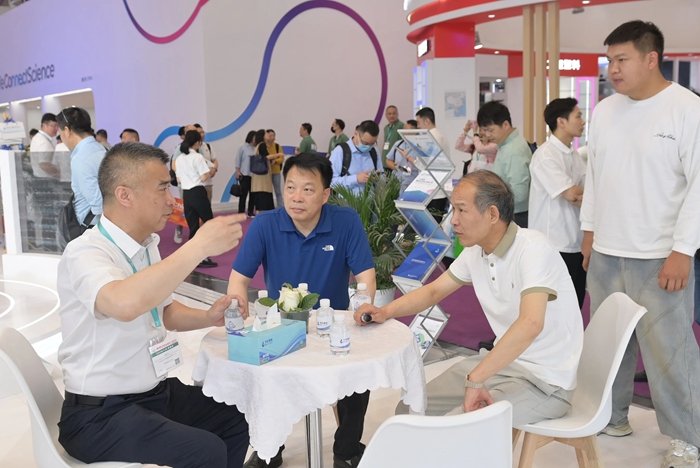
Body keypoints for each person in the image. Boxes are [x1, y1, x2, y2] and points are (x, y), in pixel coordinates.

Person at [56, 141, 249, 467]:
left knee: (236, 416)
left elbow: (165, 312)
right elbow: (123, 303)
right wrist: (198, 247)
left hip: (153, 394)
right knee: (205, 451)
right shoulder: (85, 252)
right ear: (124, 195)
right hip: (99, 414)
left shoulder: (146, 246)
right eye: (162, 188)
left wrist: (208, 315)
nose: (171, 199)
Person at [357, 171, 583, 427]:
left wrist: (477, 378)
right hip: (504, 364)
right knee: (411, 408)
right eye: (453, 209)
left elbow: (531, 323)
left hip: (545, 382)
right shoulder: (476, 251)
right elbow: (433, 292)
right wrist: (384, 312)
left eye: (462, 210)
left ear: (492, 214)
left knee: (462, 425)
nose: (453, 220)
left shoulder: (533, 249)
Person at [580, 21, 700, 467]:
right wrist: (589, 232)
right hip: (607, 252)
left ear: (651, 59)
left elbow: (698, 186)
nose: (613, 69)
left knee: (671, 353)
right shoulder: (605, 111)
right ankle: (612, 417)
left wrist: (683, 250)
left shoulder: (686, 109)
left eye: (622, 59)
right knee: (609, 344)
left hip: (660, 255)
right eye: (609, 60)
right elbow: (595, 176)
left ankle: (688, 438)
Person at [228, 153, 376, 468]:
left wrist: (363, 307)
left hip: (332, 325)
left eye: (308, 189)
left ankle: (346, 451)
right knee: (263, 383)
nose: (296, 197)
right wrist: (237, 311)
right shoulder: (266, 224)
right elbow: (238, 279)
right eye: (291, 187)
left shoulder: (345, 221)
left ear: (325, 194)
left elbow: (365, 276)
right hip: (281, 327)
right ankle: (269, 450)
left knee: (357, 377)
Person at [529, 98, 587, 308]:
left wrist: (583, 193)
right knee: (555, 307)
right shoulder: (546, 155)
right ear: (561, 122)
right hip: (554, 243)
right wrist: (581, 193)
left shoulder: (573, 155)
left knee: (575, 303)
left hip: (576, 241)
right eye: (578, 116)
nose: (583, 121)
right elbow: (572, 194)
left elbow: (587, 191)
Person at [477, 101, 532, 228]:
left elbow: (519, 194)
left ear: (505, 125)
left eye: (490, 130)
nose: (487, 135)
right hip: (510, 213)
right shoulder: (505, 145)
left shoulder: (514, 151)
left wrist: (491, 199)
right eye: (484, 131)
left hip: (516, 216)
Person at [173, 130, 218, 268]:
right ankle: (204, 256)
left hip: (186, 194)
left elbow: (178, 180)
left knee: (193, 227)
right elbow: (204, 177)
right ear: (198, 143)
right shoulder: (197, 157)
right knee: (208, 224)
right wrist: (210, 172)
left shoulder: (179, 158)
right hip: (198, 192)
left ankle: (193, 257)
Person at [58, 107, 107, 226]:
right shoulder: (104, 150)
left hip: (94, 228)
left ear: (67, 131)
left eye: (60, 133)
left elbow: (99, 206)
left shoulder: (80, 159)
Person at [329, 120, 382, 194]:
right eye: (365, 143)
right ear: (356, 134)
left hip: (370, 200)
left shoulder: (374, 151)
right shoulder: (340, 151)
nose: (368, 146)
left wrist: (378, 179)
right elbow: (331, 181)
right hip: (347, 200)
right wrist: (355, 178)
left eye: (372, 143)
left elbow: (382, 176)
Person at [172, 124, 198, 243]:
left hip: (198, 184)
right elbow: (174, 164)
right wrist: (181, 176)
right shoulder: (180, 148)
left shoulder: (201, 146)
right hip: (185, 185)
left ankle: (198, 233)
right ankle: (179, 229)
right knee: (185, 209)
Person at [385, 119, 418, 193]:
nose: (402, 131)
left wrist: (405, 167)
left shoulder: (419, 147)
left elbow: (420, 165)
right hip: (396, 183)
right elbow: (388, 160)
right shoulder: (398, 144)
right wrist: (395, 167)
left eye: (406, 129)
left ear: (414, 131)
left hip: (413, 183)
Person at [250, 129, 276, 214]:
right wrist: (278, 155)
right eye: (266, 134)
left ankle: (259, 215)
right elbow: (267, 157)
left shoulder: (257, 146)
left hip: (257, 177)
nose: (268, 135)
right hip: (263, 177)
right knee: (264, 198)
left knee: (259, 199)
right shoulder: (262, 145)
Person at [30, 113, 59, 178]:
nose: (56, 129)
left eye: (57, 126)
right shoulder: (43, 142)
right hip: (46, 179)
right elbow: (44, 164)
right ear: (44, 126)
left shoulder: (38, 137)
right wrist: (58, 174)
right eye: (53, 126)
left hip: (39, 178)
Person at [195, 123, 219, 202]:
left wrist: (214, 169)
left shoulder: (208, 146)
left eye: (203, 132)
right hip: (196, 183)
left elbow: (214, 160)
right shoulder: (191, 148)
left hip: (208, 182)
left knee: (208, 204)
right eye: (199, 133)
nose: (202, 135)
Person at [236, 130, 256, 217]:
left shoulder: (257, 148)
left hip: (254, 175)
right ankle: (241, 212)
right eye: (254, 137)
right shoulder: (243, 147)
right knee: (243, 195)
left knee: (253, 195)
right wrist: (237, 171)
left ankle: (250, 211)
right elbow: (238, 160)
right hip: (244, 174)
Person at [265, 129, 285, 208]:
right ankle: (269, 207)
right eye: (270, 136)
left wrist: (275, 161)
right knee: (267, 191)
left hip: (276, 171)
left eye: (274, 135)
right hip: (266, 173)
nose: (272, 137)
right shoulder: (264, 146)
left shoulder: (277, 146)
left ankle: (280, 207)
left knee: (278, 191)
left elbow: (282, 158)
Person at [381, 105, 404, 171]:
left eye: (394, 113)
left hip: (395, 162)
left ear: (397, 114)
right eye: (389, 114)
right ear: (386, 115)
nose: (392, 116)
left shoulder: (402, 126)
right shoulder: (386, 127)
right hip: (385, 160)